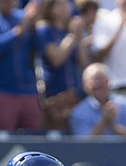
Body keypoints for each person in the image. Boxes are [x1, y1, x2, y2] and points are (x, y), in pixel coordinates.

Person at [0, 0, 44, 132]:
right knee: (0, 142)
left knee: (33, 140)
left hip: (28, 91)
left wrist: (34, 26)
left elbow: (39, 48)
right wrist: (19, 30)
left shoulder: (22, 17)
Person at [35, 0, 89, 132]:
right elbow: (56, 59)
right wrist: (72, 36)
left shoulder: (68, 30)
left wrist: (79, 38)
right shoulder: (44, 29)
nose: (64, 8)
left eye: (66, 4)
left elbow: (83, 63)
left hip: (73, 92)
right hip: (53, 92)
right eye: (59, 4)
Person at [69, 61, 126, 136]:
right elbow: (83, 145)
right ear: (85, 85)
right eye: (94, 80)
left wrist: (114, 127)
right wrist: (104, 120)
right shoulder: (79, 112)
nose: (99, 84)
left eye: (102, 79)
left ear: (108, 82)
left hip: (125, 148)